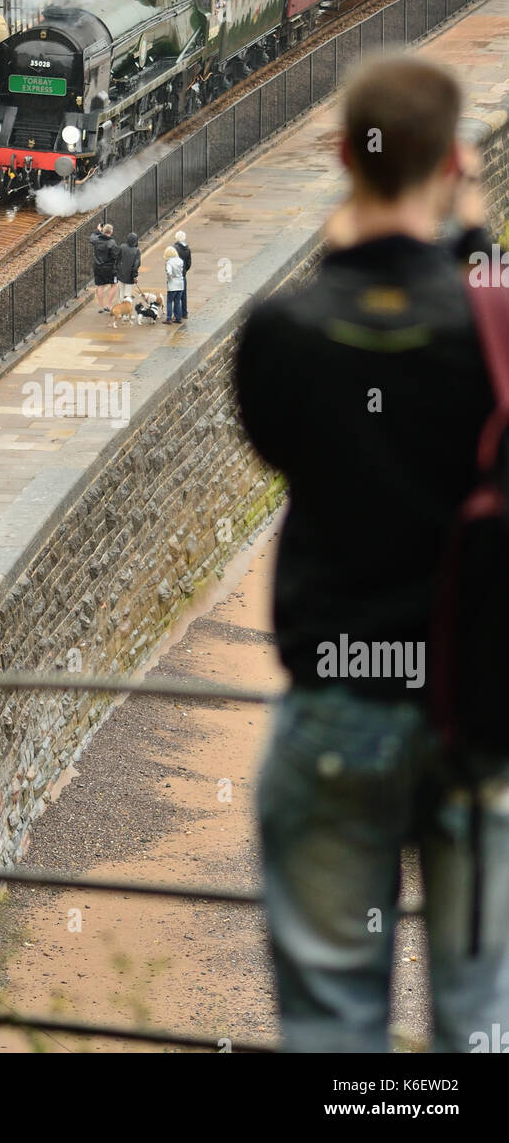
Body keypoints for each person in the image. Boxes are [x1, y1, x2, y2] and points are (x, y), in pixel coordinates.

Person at [235, 54, 509, 1054]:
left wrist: (348, 243)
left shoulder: (283, 329)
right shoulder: (486, 323)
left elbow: (279, 438)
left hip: (335, 707)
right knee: (479, 1017)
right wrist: (471, 232)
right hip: (472, 713)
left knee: (329, 1021)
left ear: (343, 156)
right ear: (450, 165)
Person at [90, 222, 119, 312]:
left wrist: (98, 230)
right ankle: (109, 304)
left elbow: (92, 237)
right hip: (110, 268)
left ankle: (101, 306)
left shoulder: (96, 240)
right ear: (111, 232)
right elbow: (116, 256)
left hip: (98, 267)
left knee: (100, 286)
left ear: (103, 231)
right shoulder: (111, 242)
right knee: (114, 285)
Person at [116, 231, 141, 303]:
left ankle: (120, 309)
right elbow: (136, 265)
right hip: (130, 277)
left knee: (121, 293)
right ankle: (125, 311)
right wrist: (135, 276)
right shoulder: (136, 251)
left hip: (121, 274)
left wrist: (117, 270)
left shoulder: (122, 247)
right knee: (127, 295)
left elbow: (117, 260)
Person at [164, 244, 184, 323]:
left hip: (172, 284)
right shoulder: (180, 260)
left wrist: (169, 278)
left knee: (169, 301)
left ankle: (169, 318)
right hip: (180, 283)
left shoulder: (169, 262)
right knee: (177, 301)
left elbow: (169, 272)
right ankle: (178, 317)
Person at [174, 230, 192, 318]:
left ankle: (176, 314)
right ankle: (184, 313)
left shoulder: (174, 248)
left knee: (175, 295)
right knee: (183, 295)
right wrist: (184, 270)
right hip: (183, 275)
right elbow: (189, 263)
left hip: (175, 275)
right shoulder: (187, 249)